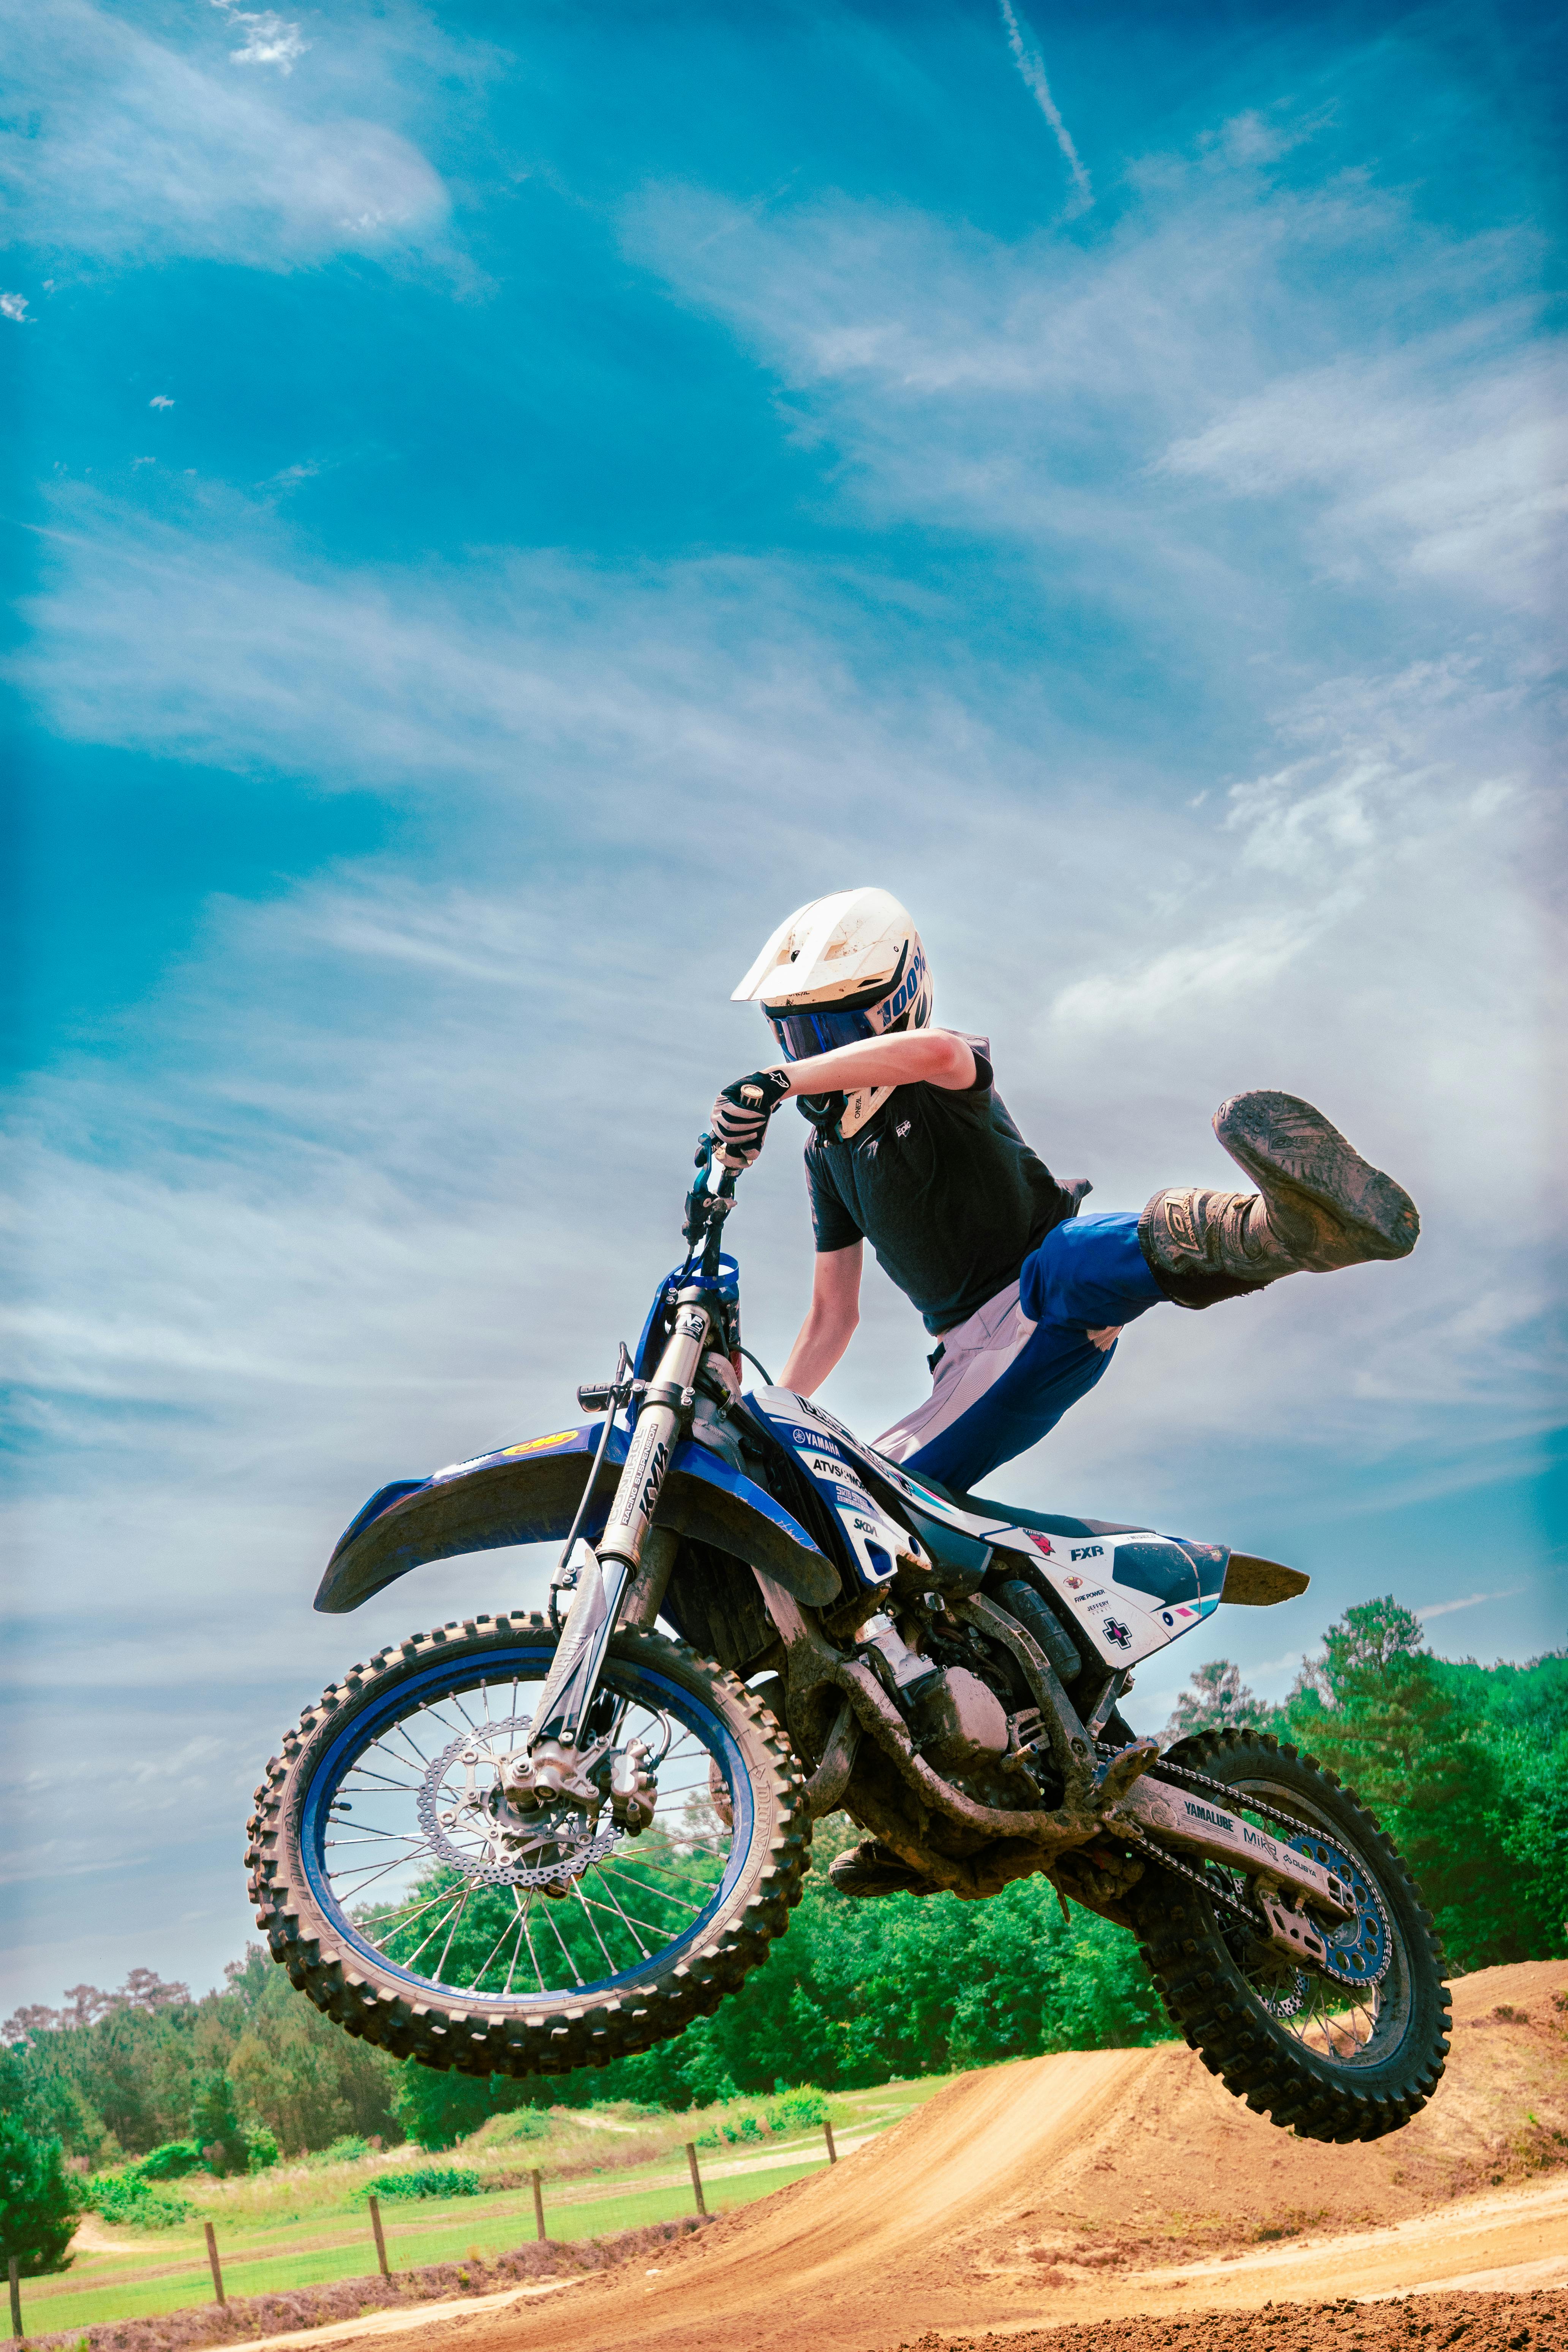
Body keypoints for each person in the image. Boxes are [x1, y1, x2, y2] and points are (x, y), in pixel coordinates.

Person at [709, 886, 1419, 1501]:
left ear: (896, 1004)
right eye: (794, 1035)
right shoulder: (826, 1154)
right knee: (862, 1494)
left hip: (1042, 1282)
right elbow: (832, 1317)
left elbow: (939, 1051)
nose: (814, 1053)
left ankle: (1284, 1229)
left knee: (1074, 1256)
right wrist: (763, 1417)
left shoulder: (937, 1073)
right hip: (969, 1357)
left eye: (830, 1031)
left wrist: (780, 1082)